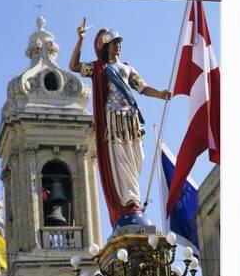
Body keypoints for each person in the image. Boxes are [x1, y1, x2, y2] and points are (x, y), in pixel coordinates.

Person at [69, 22, 171, 226]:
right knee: (120, 156)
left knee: (136, 156)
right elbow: (73, 66)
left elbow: (142, 88)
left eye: (119, 43)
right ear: (106, 47)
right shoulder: (100, 68)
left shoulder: (127, 68)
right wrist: (80, 40)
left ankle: (134, 196)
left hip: (131, 118)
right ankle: (129, 200)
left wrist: (160, 94)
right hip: (113, 118)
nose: (118, 46)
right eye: (114, 43)